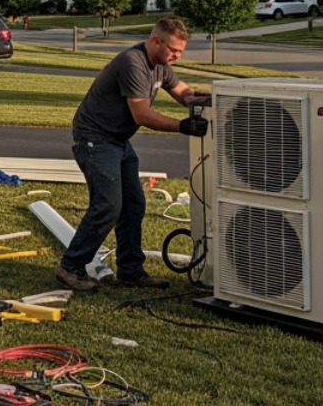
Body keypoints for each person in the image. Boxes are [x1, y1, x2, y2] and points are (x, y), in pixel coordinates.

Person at [56, 16, 209, 293]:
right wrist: (182, 126)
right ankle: (70, 267)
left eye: (181, 52)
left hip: (117, 140)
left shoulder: (161, 66)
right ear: (156, 41)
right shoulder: (133, 63)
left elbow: (184, 94)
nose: (177, 56)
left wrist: (213, 99)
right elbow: (142, 114)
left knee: (133, 206)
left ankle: (131, 271)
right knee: (108, 206)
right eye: (173, 50)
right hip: (96, 138)